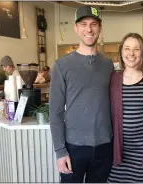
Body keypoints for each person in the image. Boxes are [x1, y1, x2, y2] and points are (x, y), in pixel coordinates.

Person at [49, 6, 114, 183]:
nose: (89, 29)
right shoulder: (62, 65)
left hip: (104, 146)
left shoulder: (108, 65)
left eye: (94, 24)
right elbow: (55, 112)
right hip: (73, 147)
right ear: (76, 28)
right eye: (83, 24)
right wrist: (60, 151)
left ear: (100, 29)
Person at [107, 33, 143, 183]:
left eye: (136, 49)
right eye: (127, 48)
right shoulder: (112, 79)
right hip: (117, 151)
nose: (131, 54)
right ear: (121, 52)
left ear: (142, 53)